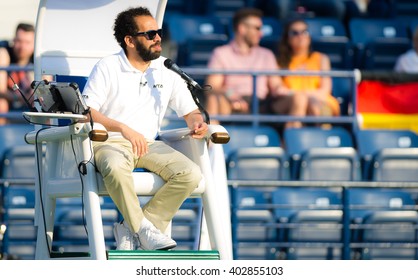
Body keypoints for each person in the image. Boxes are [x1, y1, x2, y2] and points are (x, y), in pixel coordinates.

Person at [82, 7, 208, 251]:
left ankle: (133, 229)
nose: (158, 38)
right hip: (108, 142)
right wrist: (123, 128)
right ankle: (143, 230)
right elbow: (87, 111)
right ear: (130, 40)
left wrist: (197, 124)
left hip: (149, 144)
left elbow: (190, 112)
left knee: (191, 174)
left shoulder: (166, 68)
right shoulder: (107, 66)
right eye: (150, 34)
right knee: (116, 168)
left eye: (158, 32)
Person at [205, 8, 283, 120]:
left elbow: (276, 85)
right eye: (257, 28)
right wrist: (230, 94)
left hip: (261, 104)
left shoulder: (267, 54)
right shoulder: (221, 53)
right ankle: (212, 137)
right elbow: (212, 86)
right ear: (242, 28)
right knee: (213, 98)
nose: (261, 33)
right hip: (231, 103)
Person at [268, 18, 340, 128]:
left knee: (316, 106)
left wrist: (302, 94)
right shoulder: (279, 61)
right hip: (289, 102)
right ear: (287, 38)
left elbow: (325, 90)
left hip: (320, 100)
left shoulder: (321, 58)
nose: (300, 36)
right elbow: (278, 90)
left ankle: (322, 138)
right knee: (300, 99)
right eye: (294, 33)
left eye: (304, 32)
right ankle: (293, 139)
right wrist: (300, 96)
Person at [0, 23, 35, 124]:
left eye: (27, 42)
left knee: (45, 104)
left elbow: (46, 85)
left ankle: (45, 136)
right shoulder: (4, 53)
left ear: (34, 44)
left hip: (30, 102)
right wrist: (23, 97)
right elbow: (1, 90)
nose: (22, 47)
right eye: (19, 41)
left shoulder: (38, 58)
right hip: (9, 101)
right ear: (13, 40)